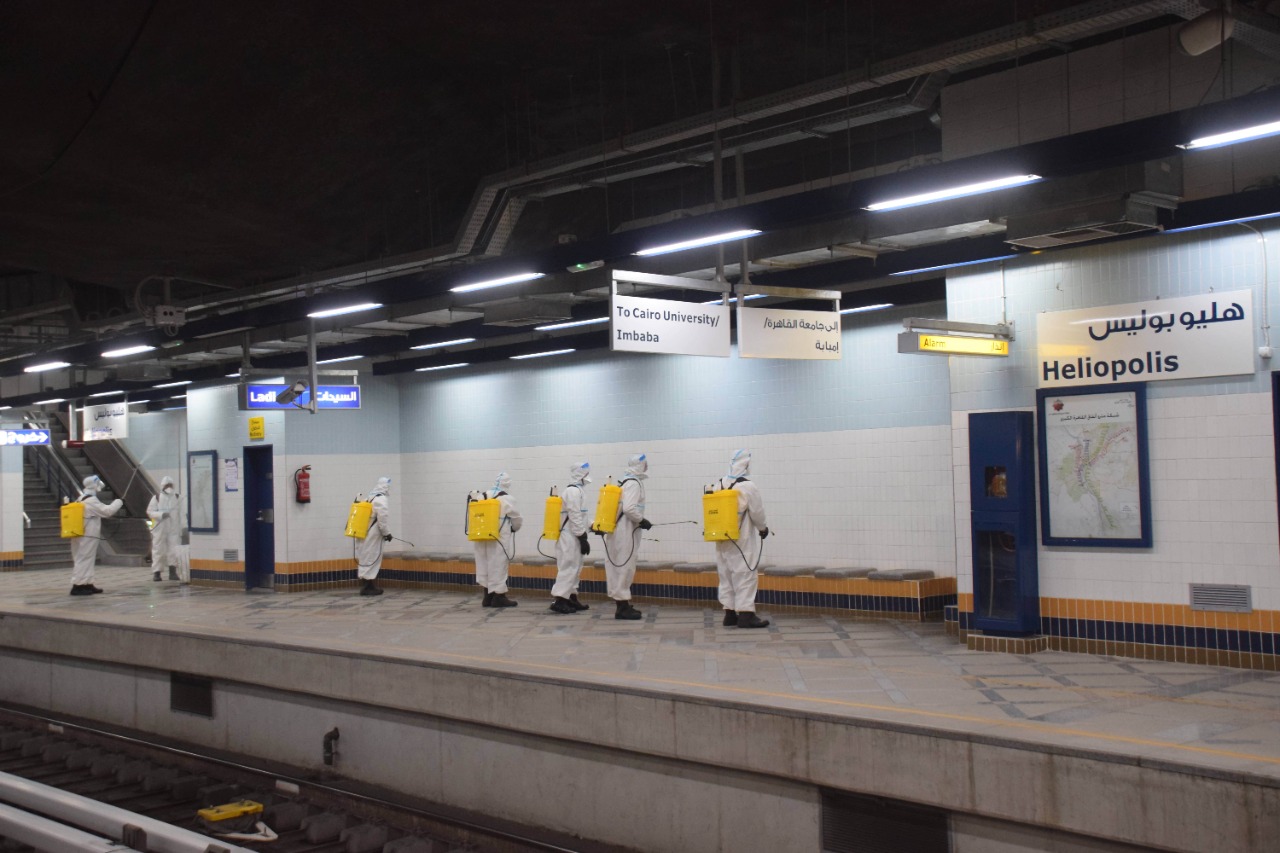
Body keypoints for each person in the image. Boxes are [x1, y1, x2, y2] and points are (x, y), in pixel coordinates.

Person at [713, 450, 770, 628]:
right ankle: (746, 615)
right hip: (741, 539)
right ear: (745, 464)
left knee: (726, 575)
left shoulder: (719, 484)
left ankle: (729, 614)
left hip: (721, 537)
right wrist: (763, 528)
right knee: (745, 574)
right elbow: (757, 512)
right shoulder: (747, 486)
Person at [603, 453, 651, 620]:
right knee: (625, 566)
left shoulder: (624, 481)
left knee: (619, 567)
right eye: (645, 464)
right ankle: (622, 607)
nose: (647, 466)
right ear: (639, 465)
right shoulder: (634, 483)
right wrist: (642, 520)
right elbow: (629, 508)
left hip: (618, 531)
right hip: (625, 531)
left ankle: (622, 603)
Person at [69, 475, 123, 596]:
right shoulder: (91, 500)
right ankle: (78, 586)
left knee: (85, 559)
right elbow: (107, 511)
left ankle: (87, 583)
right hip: (87, 535)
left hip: (80, 534)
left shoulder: (80, 498)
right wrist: (119, 502)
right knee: (84, 559)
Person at [474, 471, 522, 608]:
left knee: (484, 564)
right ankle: (499, 596)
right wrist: (514, 528)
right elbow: (517, 519)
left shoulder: (481, 496)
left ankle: (487, 596)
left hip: (481, 536)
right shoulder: (507, 498)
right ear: (507, 484)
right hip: (499, 537)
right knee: (499, 565)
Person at [550, 461, 592, 614]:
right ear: (580, 473)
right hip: (570, 537)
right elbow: (574, 516)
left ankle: (571, 597)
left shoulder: (578, 491)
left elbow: (581, 516)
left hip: (574, 535)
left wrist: (593, 526)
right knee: (568, 568)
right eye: (586, 472)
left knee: (575, 568)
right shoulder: (572, 491)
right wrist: (582, 537)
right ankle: (560, 600)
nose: (588, 475)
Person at [356, 476, 393, 596]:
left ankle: (367, 584)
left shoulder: (370, 497)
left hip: (364, 532)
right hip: (373, 534)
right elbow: (383, 519)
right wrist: (387, 533)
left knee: (366, 557)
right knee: (372, 557)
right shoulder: (381, 499)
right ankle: (369, 586)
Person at [147, 476, 181, 582]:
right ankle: (157, 573)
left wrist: (183, 527)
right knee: (158, 550)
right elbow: (150, 512)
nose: (169, 487)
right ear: (163, 486)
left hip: (173, 528)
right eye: (167, 485)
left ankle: (172, 571)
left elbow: (182, 514)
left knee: (173, 550)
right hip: (159, 528)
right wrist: (161, 514)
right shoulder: (156, 498)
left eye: (170, 485)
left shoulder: (177, 497)